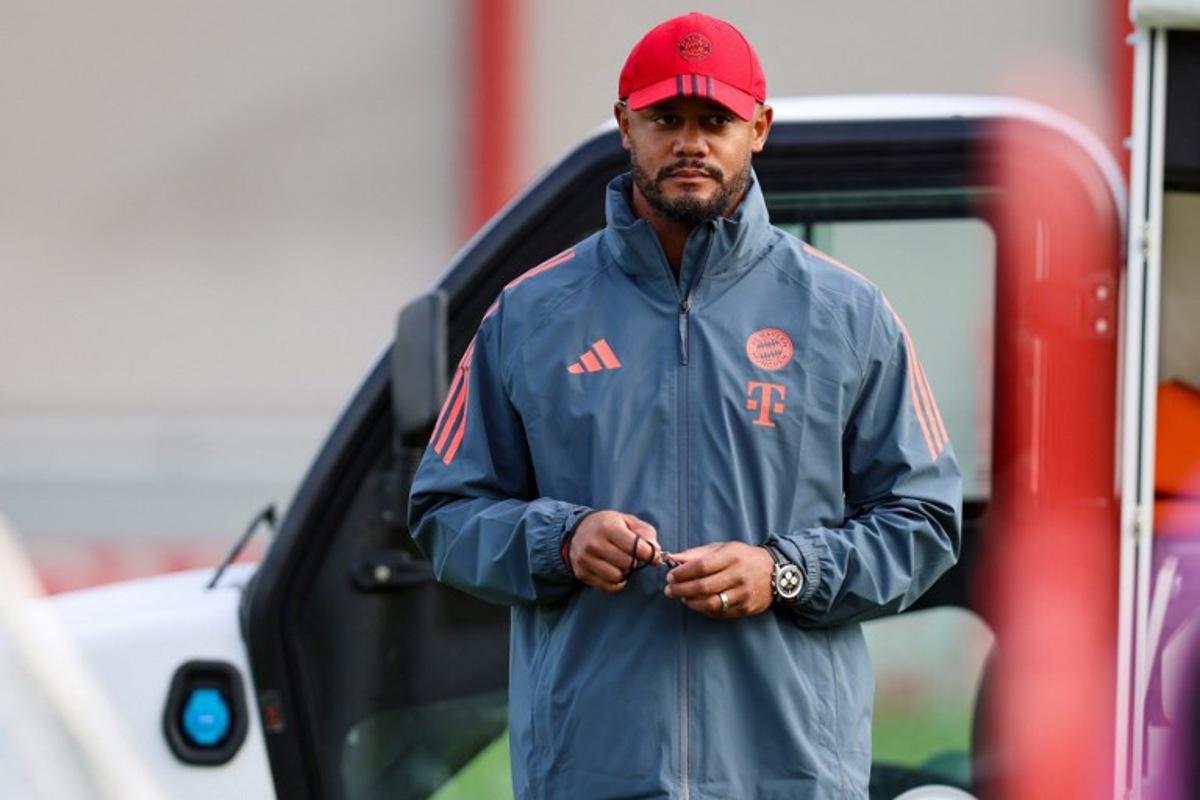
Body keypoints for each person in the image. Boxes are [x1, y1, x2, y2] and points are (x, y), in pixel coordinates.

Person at [409, 11, 961, 799]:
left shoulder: (847, 314)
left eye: (717, 121)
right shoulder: (529, 315)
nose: (691, 142)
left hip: (788, 777)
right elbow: (445, 511)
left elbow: (924, 518)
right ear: (624, 125)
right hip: (590, 777)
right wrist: (559, 540)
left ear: (759, 129)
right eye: (666, 119)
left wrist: (785, 571)